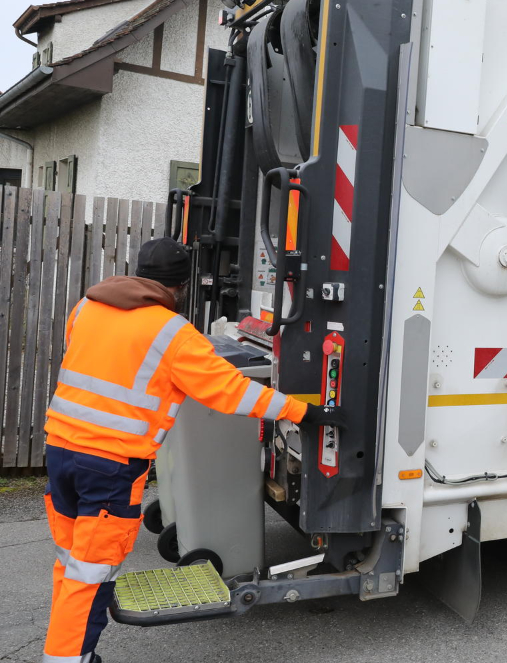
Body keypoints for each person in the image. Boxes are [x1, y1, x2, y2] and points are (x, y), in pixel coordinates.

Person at [40, 237, 344, 663]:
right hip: (108, 466)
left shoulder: (86, 308)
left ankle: (67, 650)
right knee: (92, 574)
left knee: (72, 564)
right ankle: (69, 658)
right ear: (182, 286)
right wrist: (305, 413)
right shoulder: (172, 333)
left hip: (60, 451)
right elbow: (230, 391)